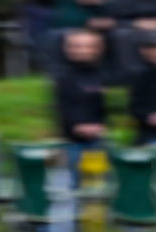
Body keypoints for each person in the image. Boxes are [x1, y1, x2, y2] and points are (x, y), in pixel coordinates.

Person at [54, 29, 110, 172]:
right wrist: (77, 126)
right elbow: (62, 106)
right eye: (76, 46)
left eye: (88, 46)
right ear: (66, 48)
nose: (82, 51)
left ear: (100, 48)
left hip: (106, 141)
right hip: (73, 142)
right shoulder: (60, 76)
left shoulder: (111, 75)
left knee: (99, 186)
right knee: (82, 186)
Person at [130, 30, 156, 145]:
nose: (153, 52)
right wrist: (149, 117)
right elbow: (135, 107)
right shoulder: (144, 76)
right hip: (150, 136)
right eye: (149, 48)